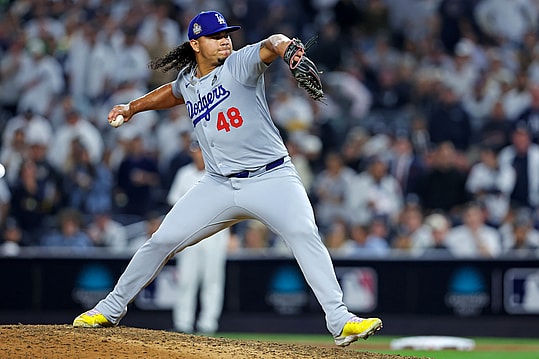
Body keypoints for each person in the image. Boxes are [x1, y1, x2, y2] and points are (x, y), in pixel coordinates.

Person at [72, 10, 382, 347]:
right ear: (195, 43)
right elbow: (173, 92)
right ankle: (110, 308)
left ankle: (339, 319)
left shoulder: (239, 63)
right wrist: (132, 107)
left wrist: (288, 49)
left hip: (272, 177)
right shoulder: (189, 79)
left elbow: (271, 43)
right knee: (161, 240)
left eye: (226, 34)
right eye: (215, 36)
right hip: (218, 184)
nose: (225, 40)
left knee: (304, 233)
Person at [168, 140, 229, 334]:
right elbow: (174, 204)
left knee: (212, 280)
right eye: (195, 151)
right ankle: (182, 323)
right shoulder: (184, 174)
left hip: (215, 233)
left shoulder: (221, 172)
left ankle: (208, 324)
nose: (198, 155)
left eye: (201, 151)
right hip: (190, 233)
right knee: (186, 279)